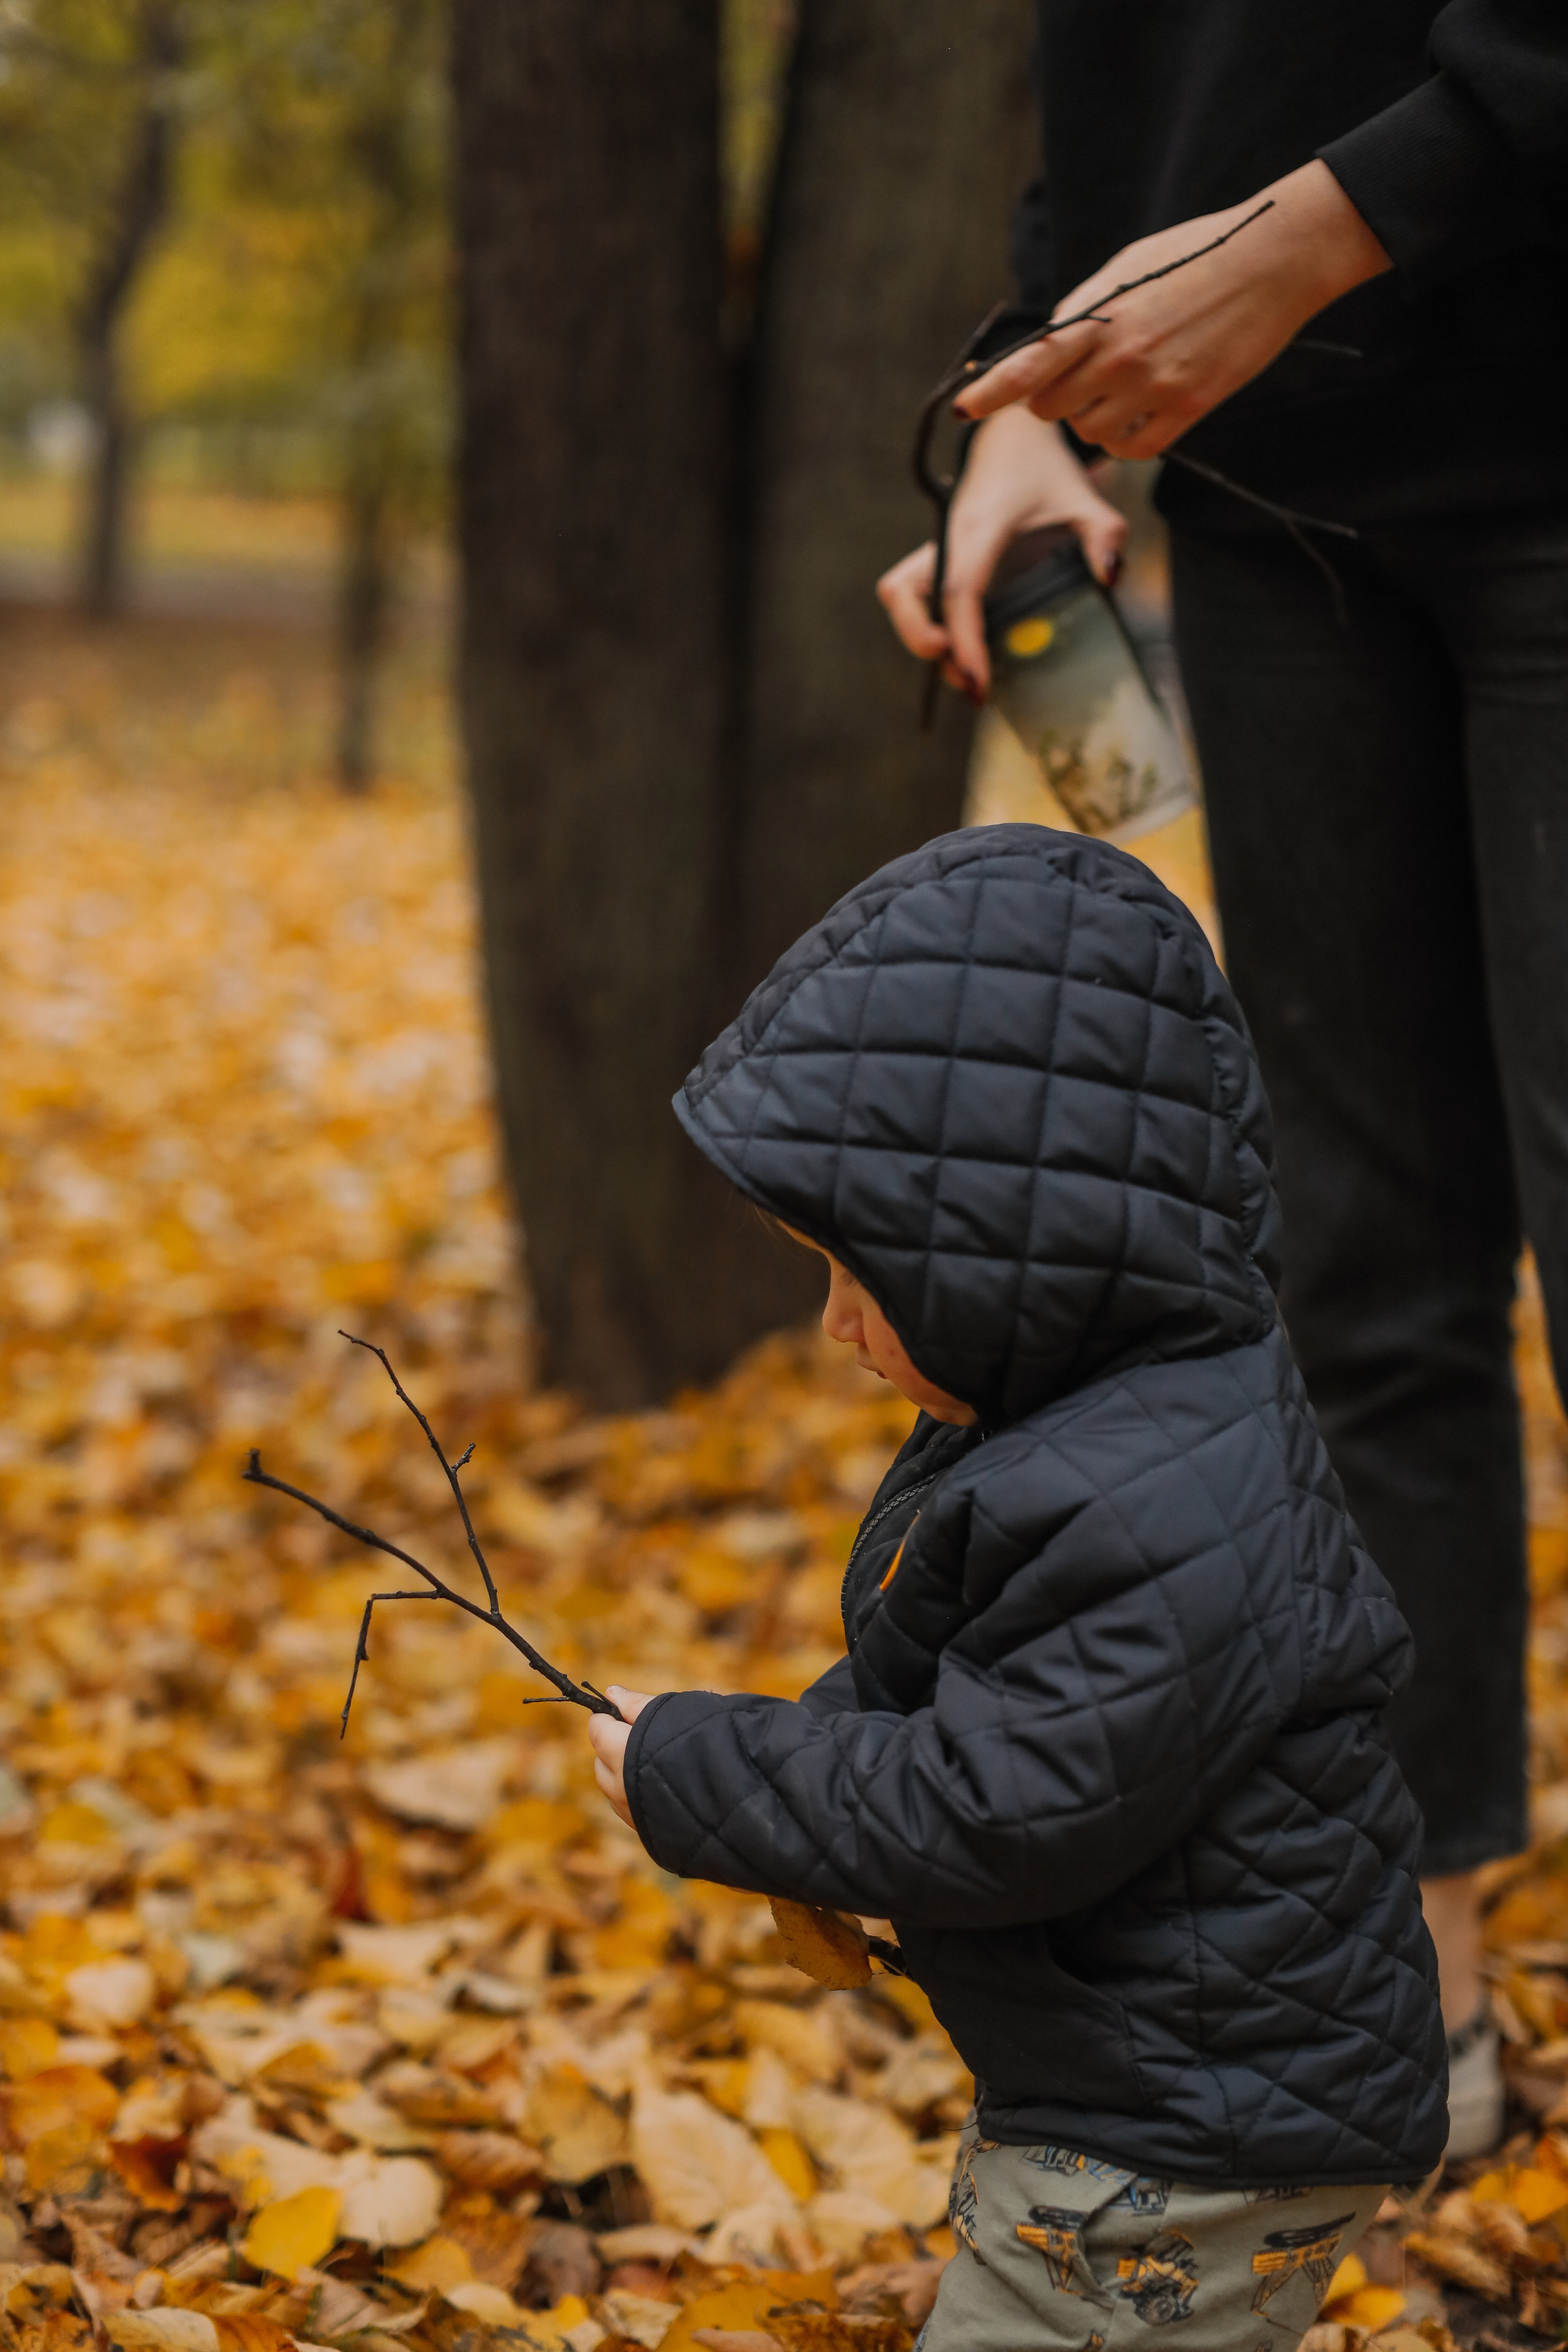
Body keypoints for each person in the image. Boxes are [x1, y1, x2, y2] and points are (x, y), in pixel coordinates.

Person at [877, 1, 1568, 2158]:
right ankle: (1423, 1963)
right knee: (1359, 1278)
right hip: (1286, 511)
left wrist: (1336, 225)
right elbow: (1144, 65)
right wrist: (1026, 397)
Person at [589, 826, 1446, 2352]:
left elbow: (993, 1811)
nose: (836, 1326)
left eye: (863, 1276)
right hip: (1183, 2085)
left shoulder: (1154, 1491)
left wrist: (702, 1773)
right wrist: (785, 1751)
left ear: (1012, 1259)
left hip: (1187, 2142)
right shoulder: (1097, 1418)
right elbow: (954, 1678)